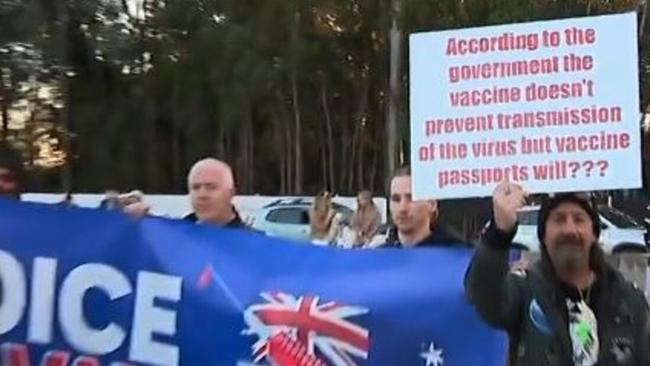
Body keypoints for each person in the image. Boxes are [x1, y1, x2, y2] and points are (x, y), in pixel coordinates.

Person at [465, 181, 650, 366]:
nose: (569, 230)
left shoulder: (629, 301)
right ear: (543, 235)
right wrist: (499, 233)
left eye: (579, 219)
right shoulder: (524, 290)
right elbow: (484, 296)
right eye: (559, 219)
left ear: (594, 233)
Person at [380, 166, 469, 248]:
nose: (402, 208)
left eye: (411, 199)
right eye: (396, 199)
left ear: (432, 204)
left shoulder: (460, 255)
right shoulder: (377, 258)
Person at [183, 158, 248, 228]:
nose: (202, 195)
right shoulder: (177, 234)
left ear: (231, 193)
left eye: (211, 187)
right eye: (195, 187)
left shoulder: (249, 238)